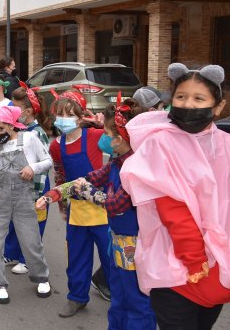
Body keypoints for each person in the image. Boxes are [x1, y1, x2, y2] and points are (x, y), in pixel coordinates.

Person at [121, 63, 230, 330]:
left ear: (218, 106)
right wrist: (195, 259)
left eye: (199, 99)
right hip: (176, 267)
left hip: (219, 267)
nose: (188, 105)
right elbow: (172, 208)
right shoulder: (160, 143)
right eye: (181, 97)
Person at [39, 96, 156, 329]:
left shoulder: (134, 168)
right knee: (114, 292)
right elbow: (83, 179)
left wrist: (88, 190)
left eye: (108, 134)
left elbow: (113, 204)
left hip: (128, 237)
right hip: (102, 226)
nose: (103, 136)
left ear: (121, 138)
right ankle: (79, 298)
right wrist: (53, 195)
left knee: (134, 296)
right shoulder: (115, 163)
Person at [0, 105, 52, 304]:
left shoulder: (29, 138)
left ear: (10, 124)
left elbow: (48, 160)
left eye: (0, 129)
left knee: (31, 241)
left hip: (24, 198)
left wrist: (33, 167)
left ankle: (41, 277)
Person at [49, 90, 111, 317]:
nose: (63, 118)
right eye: (59, 113)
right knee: (76, 257)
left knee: (110, 257)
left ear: (80, 116)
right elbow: (59, 176)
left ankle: (122, 298)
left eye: (68, 113)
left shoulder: (96, 136)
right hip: (76, 210)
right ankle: (76, 297)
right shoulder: (57, 146)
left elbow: (121, 146)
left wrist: (107, 124)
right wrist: (62, 206)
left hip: (102, 207)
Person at [3, 84, 52, 275]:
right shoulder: (19, 129)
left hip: (35, 186)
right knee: (15, 221)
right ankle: (12, 252)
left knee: (33, 224)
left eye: (15, 108)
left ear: (28, 111)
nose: (12, 112)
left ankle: (28, 259)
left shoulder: (36, 133)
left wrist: (36, 192)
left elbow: (43, 164)